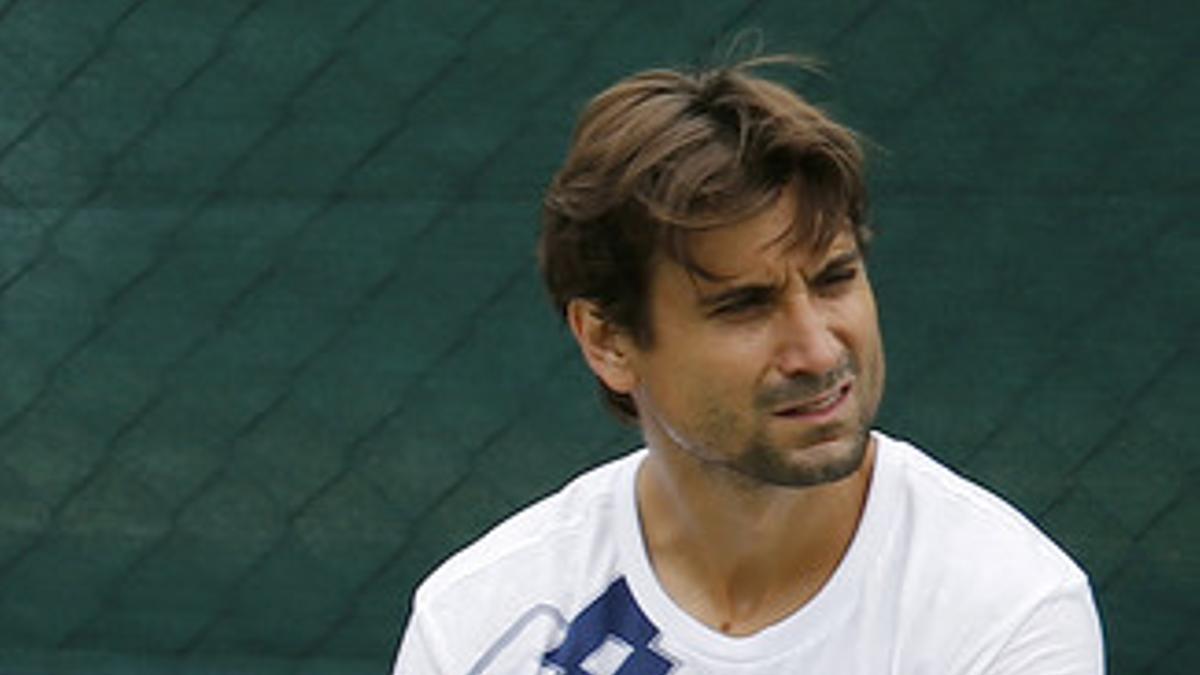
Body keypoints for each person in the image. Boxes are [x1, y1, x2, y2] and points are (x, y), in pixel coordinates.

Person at [392, 56, 1105, 674]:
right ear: (608, 341)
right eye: (745, 306)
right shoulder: (478, 621)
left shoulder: (1006, 608)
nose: (819, 350)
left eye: (834, 279)